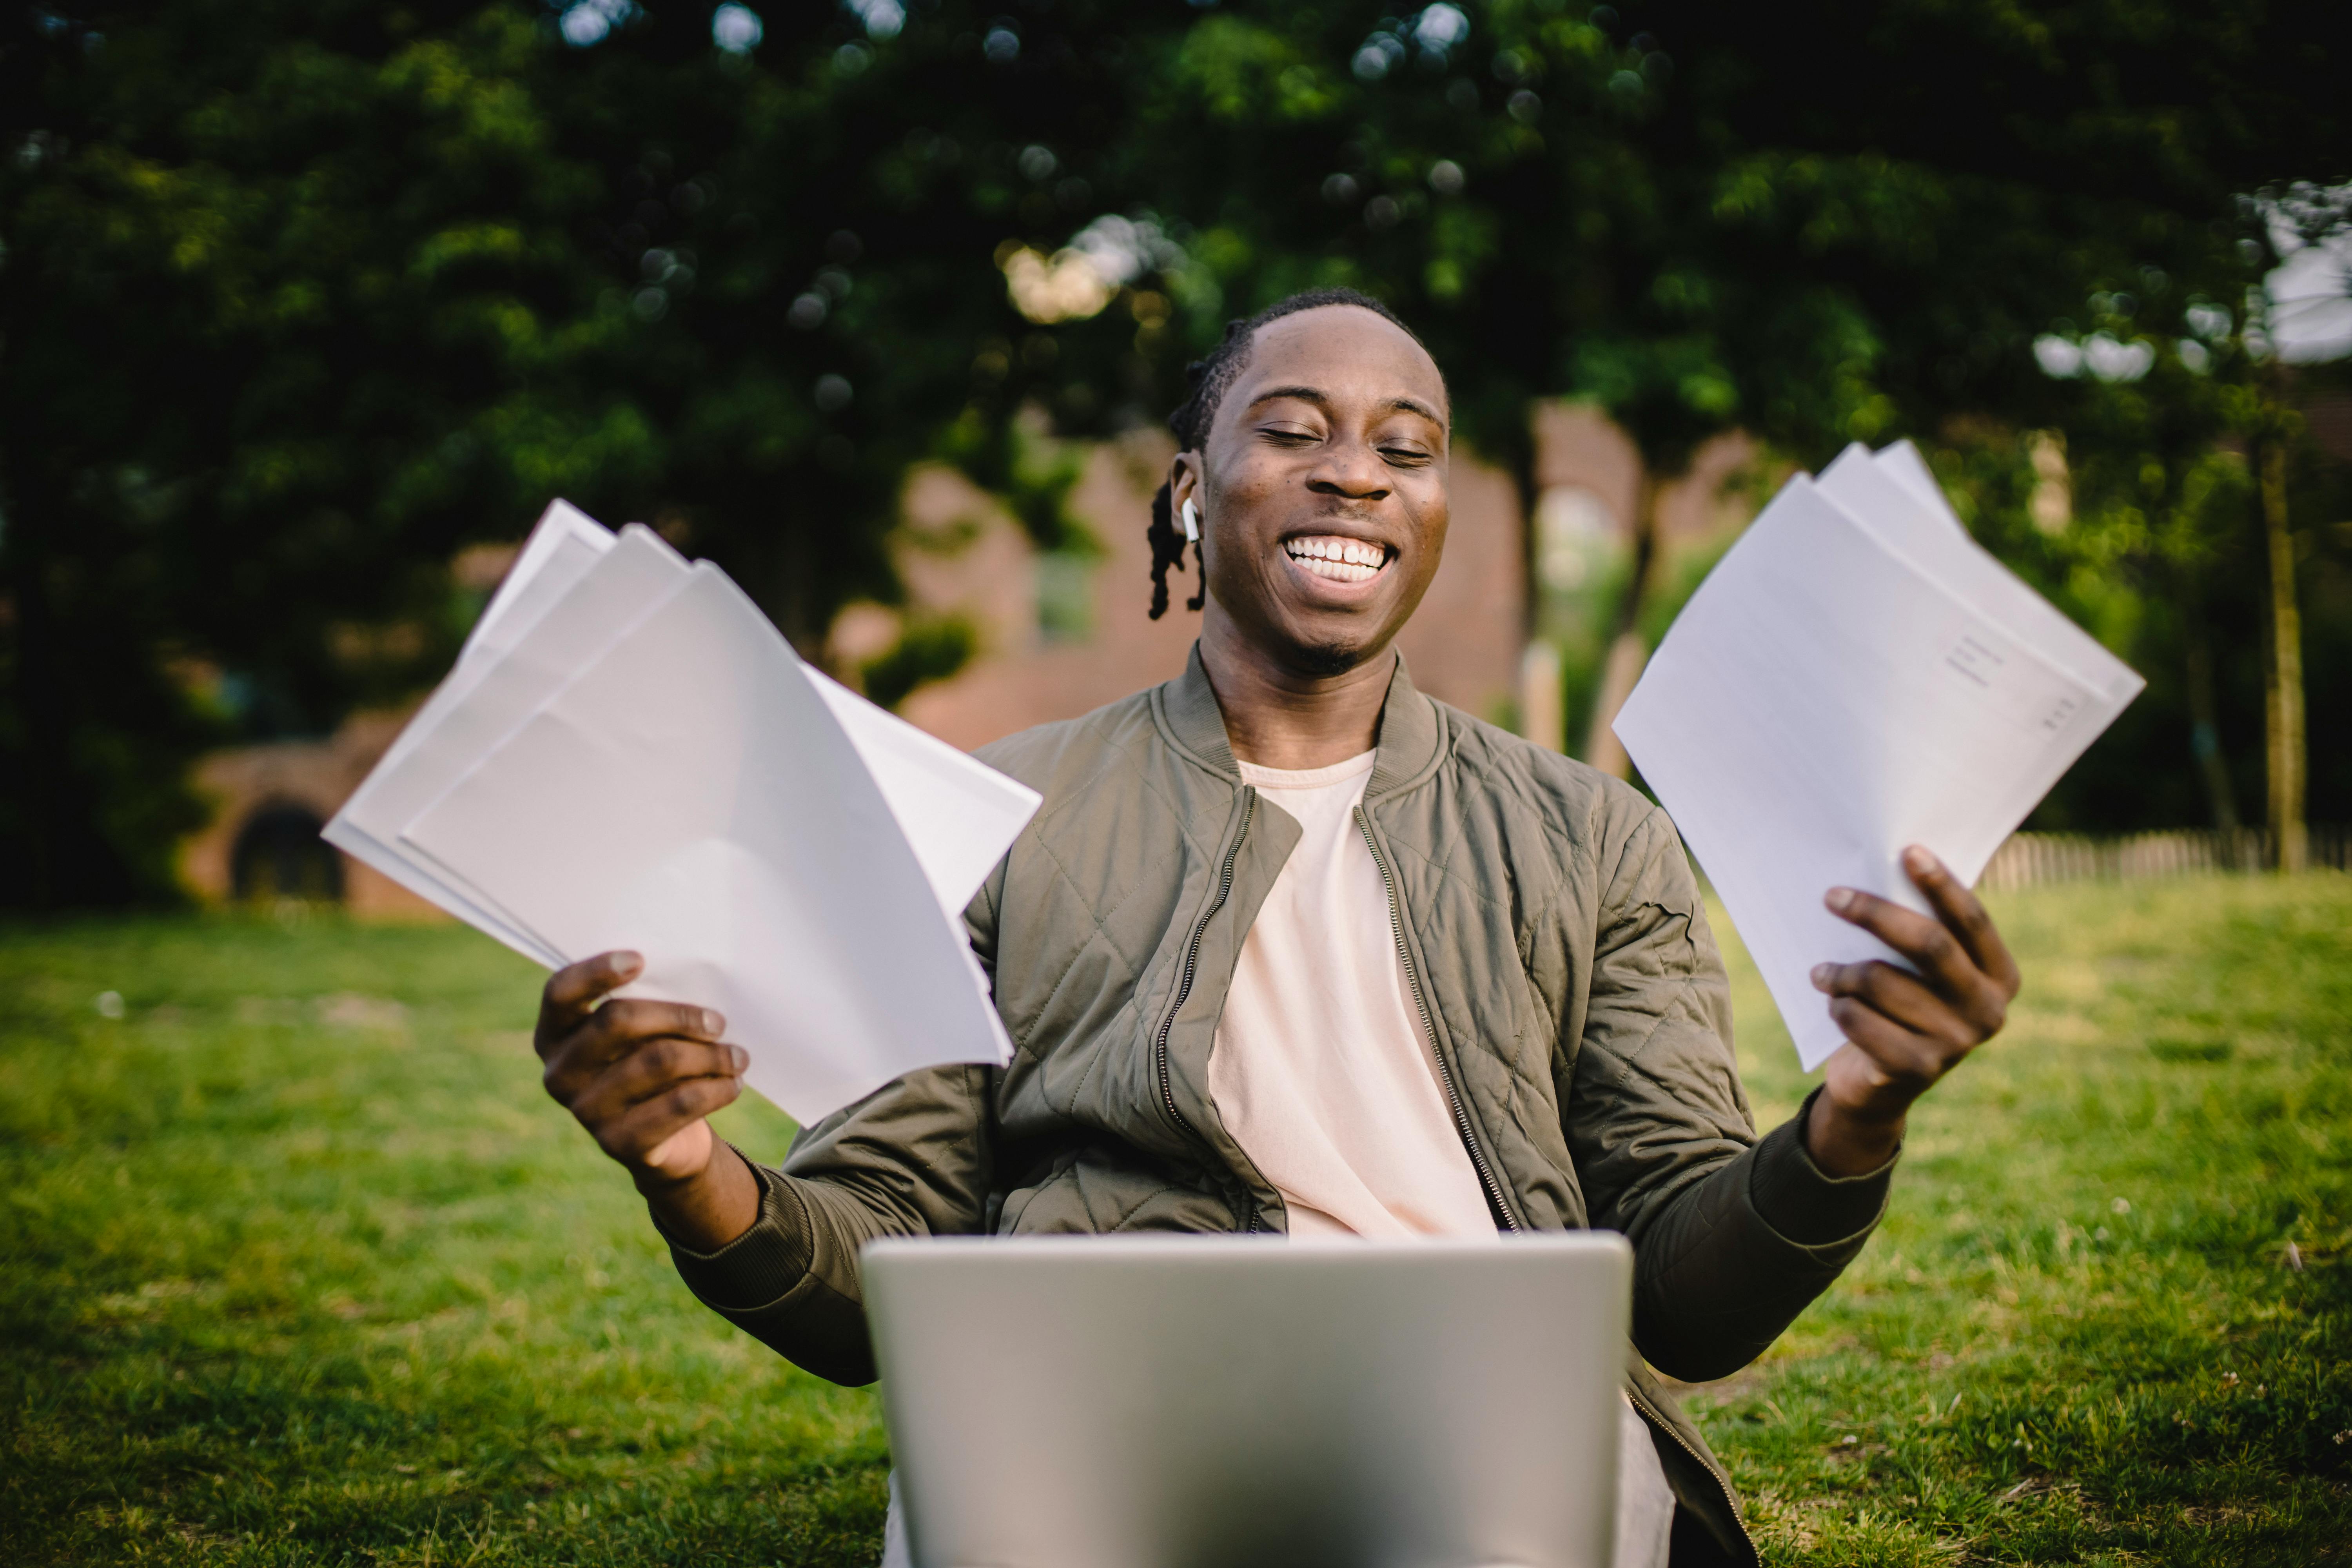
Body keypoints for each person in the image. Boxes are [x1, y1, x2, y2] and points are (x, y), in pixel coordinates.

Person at [528, 290, 2020, 1567]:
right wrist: (686, 1167)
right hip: (1087, 1421)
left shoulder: (1594, 838)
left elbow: (1690, 1294)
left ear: (1436, 513)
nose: (1354, 476)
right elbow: (876, 1274)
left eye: (1405, 450)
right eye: (1294, 429)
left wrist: (1855, 1121)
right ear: (1193, 489)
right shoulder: (988, 817)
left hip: (1485, 1443)